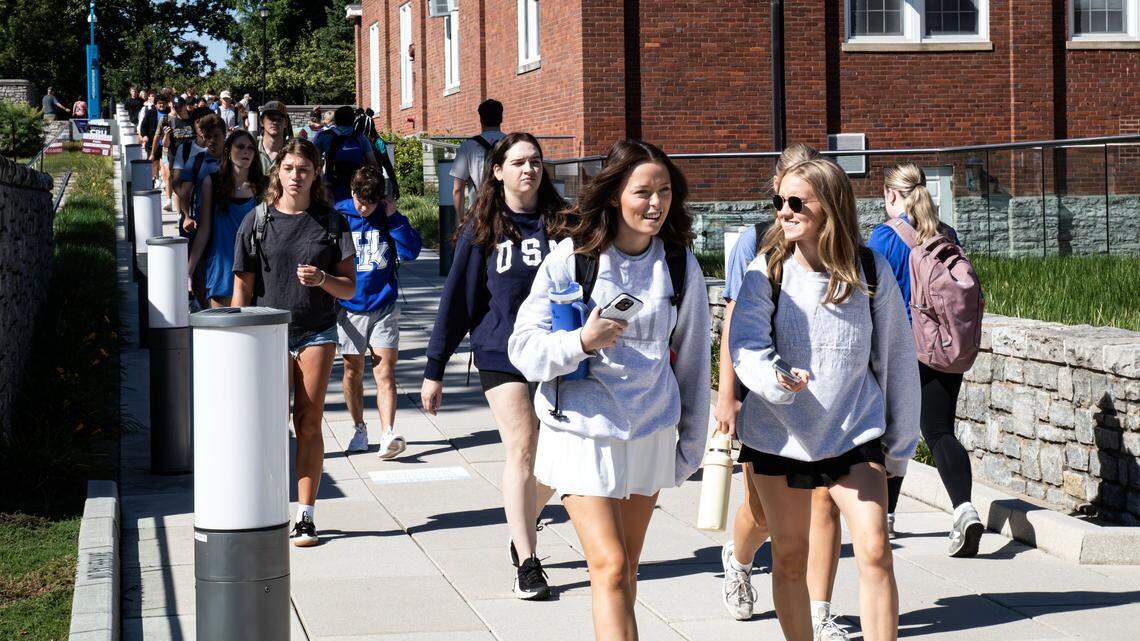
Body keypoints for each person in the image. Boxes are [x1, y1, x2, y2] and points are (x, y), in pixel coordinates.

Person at [508, 139, 711, 640]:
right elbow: (523, 348)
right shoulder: (571, 261)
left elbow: (692, 363)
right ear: (615, 194)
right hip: (581, 433)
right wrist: (581, 340)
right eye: (643, 191)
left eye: (664, 191)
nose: (655, 203)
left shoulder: (680, 266)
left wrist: (691, 445)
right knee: (612, 568)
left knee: (627, 571)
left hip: (649, 432)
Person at [729, 157, 920, 641]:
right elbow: (746, 346)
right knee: (790, 558)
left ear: (830, 207)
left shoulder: (869, 271)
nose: (783, 212)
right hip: (779, 437)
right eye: (778, 202)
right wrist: (777, 380)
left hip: (854, 432)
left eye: (797, 203)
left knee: (876, 549)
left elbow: (896, 360)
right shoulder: (765, 271)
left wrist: (899, 448)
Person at [716, 144, 856, 640]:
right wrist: (727, 394)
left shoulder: (848, 253)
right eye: (787, 191)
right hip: (765, 400)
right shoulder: (756, 243)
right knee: (763, 514)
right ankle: (738, 559)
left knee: (825, 505)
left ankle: (819, 611)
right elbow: (736, 322)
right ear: (778, 186)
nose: (792, 205)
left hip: (829, 410)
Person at [420, 133, 565, 600]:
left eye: (536, 162)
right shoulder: (481, 229)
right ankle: (528, 560)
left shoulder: (562, 225)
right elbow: (456, 301)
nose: (529, 170)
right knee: (523, 450)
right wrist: (434, 367)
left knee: (557, 464)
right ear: (497, 171)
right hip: (500, 353)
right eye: (519, 162)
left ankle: (518, 520)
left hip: (554, 353)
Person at [232, 138, 357, 547]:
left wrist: (322, 279)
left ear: (316, 173)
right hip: (268, 333)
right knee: (268, 426)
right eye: (288, 168)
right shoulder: (257, 221)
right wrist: (236, 339)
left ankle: (305, 514)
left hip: (316, 331)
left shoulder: (332, 222)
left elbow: (349, 288)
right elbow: (242, 289)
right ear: (277, 172)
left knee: (307, 421)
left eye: (304, 169)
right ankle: (264, 508)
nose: (296, 176)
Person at [868, 163, 983, 557]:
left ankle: (883, 517)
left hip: (900, 348)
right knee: (938, 430)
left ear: (890, 194)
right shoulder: (945, 234)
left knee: (893, 434)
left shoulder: (884, 237)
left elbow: (868, 296)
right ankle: (964, 510)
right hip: (945, 346)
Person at [337, 165, 422, 457]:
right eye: (360, 200)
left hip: (383, 305)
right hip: (349, 307)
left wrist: (394, 217)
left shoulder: (387, 217)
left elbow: (411, 251)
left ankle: (387, 433)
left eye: (370, 202)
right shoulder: (339, 215)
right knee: (353, 370)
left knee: (385, 371)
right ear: (352, 192)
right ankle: (360, 428)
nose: (364, 207)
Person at [187, 129, 267, 308]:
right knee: (223, 330)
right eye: (240, 147)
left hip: (255, 268)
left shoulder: (264, 186)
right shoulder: (211, 182)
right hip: (222, 266)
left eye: (251, 148)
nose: (246, 151)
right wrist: (188, 270)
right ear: (228, 151)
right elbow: (204, 230)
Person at [450, 99, 505, 218]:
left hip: (478, 216)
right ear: (501, 118)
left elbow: (457, 190)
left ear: (481, 120)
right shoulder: (513, 143)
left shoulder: (467, 147)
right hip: (508, 214)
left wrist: (461, 222)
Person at [312, 106, 378, 202]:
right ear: (353, 120)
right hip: (357, 184)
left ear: (336, 121)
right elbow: (372, 163)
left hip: (331, 184)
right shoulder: (360, 137)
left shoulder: (325, 136)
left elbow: (313, 160)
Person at [155, 95, 195, 213]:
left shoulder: (192, 119)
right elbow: (166, 145)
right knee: (178, 188)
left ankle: (191, 212)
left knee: (192, 188)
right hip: (176, 160)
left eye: (179, 107)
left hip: (192, 160)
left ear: (184, 106)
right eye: (175, 107)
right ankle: (180, 215)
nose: (177, 109)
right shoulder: (169, 120)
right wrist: (166, 135)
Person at [356, 110, 400, 199]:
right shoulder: (378, 142)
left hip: (360, 185)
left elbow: (387, 165)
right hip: (374, 183)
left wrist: (395, 185)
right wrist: (395, 185)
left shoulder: (353, 140)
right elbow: (387, 165)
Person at [257, 100, 292, 173]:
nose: (275, 122)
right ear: (261, 122)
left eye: (280, 119)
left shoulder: (292, 150)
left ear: (286, 123)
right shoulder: (252, 148)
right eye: (271, 118)